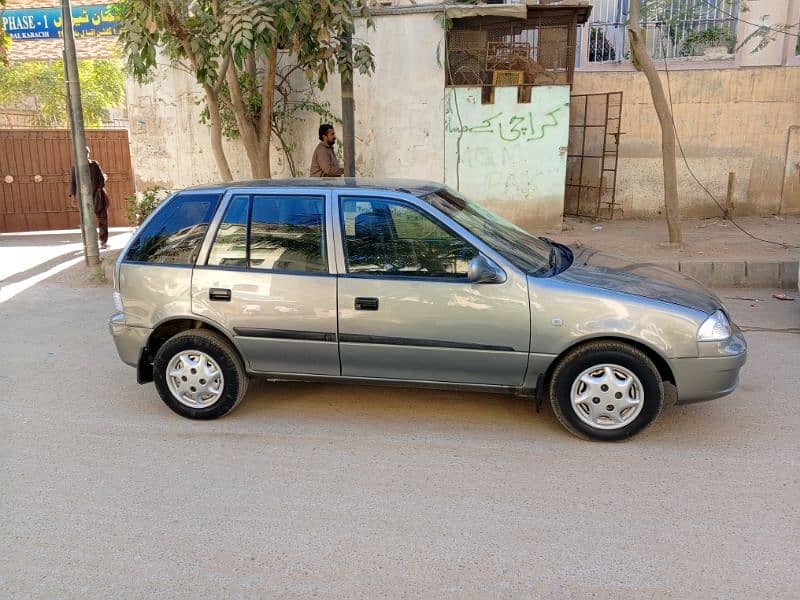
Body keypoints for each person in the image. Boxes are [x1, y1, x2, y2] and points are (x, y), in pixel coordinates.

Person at [69, 146, 110, 249]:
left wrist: (99, 189)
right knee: (86, 222)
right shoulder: (76, 167)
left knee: (103, 220)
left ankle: (103, 242)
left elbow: (101, 179)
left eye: (86, 152)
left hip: (98, 198)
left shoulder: (94, 164)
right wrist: (73, 197)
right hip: (85, 199)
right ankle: (89, 243)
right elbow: (73, 183)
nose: (84, 154)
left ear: (88, 153)